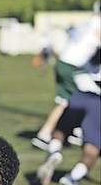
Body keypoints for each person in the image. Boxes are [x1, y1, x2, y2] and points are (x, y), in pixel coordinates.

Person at [31, 10, 101, 150]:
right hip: (73, 66)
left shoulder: (90, 21)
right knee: (92, 96)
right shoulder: (97, 23)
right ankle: (79, 130)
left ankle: (43, 135)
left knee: (64, 101)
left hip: (64, 62)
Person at [36, 48, 100, 185]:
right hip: (97, 103)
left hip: (78, 97)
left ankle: (54, 150)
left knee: (61, 130)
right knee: (91, 150)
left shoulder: (91, 58)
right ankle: (73, 178)